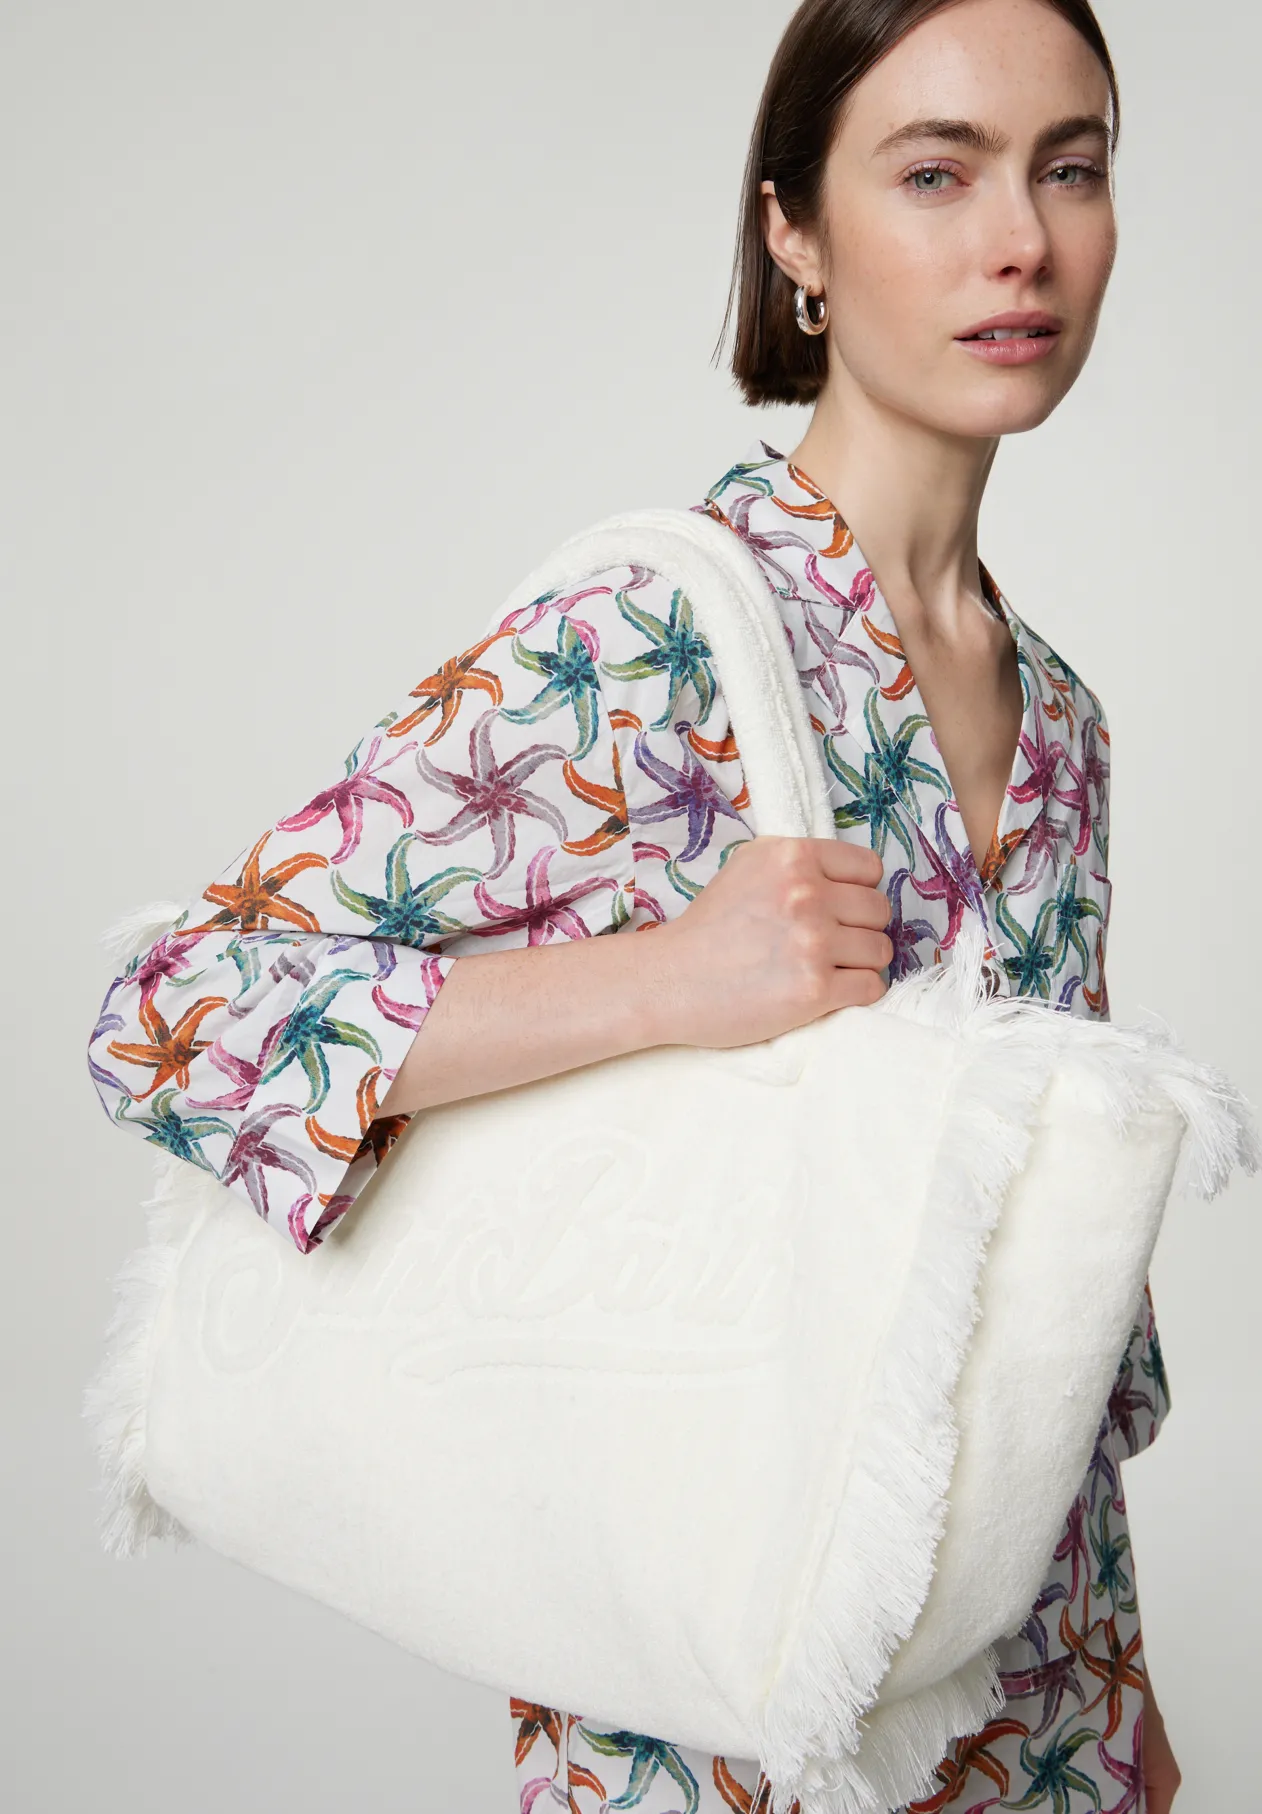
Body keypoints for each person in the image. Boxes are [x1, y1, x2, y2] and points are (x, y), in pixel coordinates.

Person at [86, 0, 1184, 1807]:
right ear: (795, 235)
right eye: (936, 173)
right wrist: (668, 979)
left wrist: (1124, 1719)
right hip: (713, 1739)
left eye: (1071, 169)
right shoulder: (655, 641)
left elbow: (1038, 1313)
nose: (1022, 241)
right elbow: (172, 1012)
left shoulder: (1061, 720)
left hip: (1049, 1717)